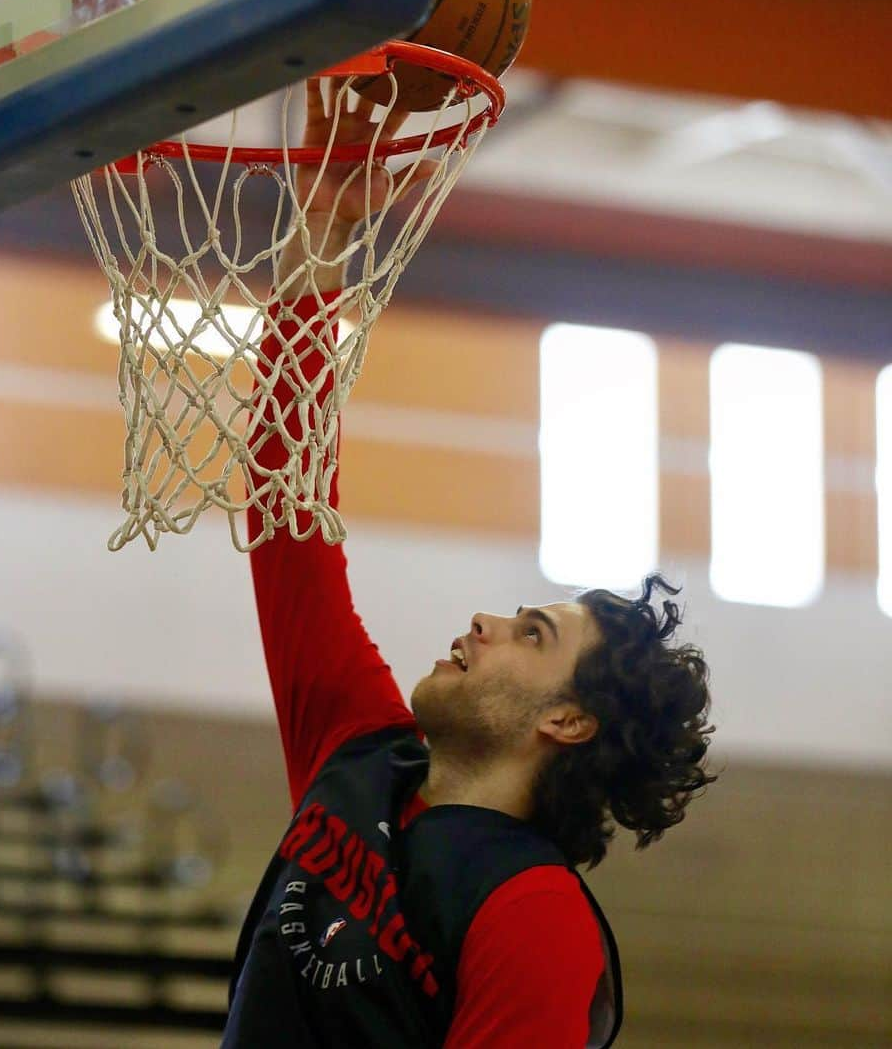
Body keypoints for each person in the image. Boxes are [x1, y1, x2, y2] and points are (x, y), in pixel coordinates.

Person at [222, 82, 717, 1048]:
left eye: (533, 634)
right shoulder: (359, 750)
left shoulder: (532, 914)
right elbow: (287, 505)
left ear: (566, 719)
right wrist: (322, 225)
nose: (486, 622)